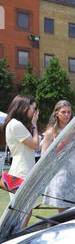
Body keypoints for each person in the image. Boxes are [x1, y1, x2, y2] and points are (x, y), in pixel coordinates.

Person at [41, 100, 75, 213]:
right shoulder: (51, 132)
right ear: (56, 114)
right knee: (63, 213)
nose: (66, 115)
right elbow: (43, 156)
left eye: (69, 112)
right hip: (60, 175)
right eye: (63, 112)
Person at [1, 94, 40, 227]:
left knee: (25, 212)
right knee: (23, 215)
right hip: (22, 171)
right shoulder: (16, 124)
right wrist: (35, 125)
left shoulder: (14, 124)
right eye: (33, 109)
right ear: (24, 107)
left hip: (23, 169)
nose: (35, 112)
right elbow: (36, 146)